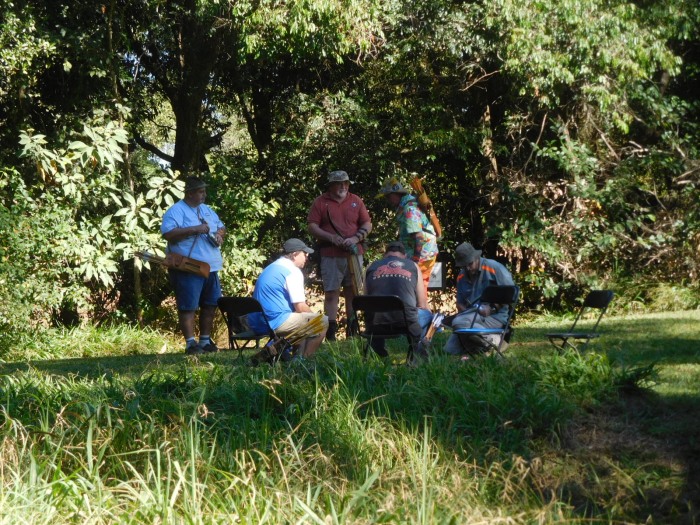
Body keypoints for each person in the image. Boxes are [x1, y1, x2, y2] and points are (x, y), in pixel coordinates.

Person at [161, 176, 226, 354]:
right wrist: (194, 229)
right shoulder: (176, 211)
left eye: (204, 191)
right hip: (189, 266)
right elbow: (168, 234)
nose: (204, 195)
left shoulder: (207, 210)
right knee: (188, 305)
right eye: (200, 191)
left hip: (211, 266)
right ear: (189, 193)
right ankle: (191, 344)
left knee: (210, 304)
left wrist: (220, 234)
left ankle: (205, 341)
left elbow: (221, 226)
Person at [308, 170, 372, 340]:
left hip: (354, 252)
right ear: (331, 185)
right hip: (330, 253)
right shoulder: (320, 202)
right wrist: (331, 237)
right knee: (331, 292)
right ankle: (330, 333)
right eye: (339, 183)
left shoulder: (356, 200)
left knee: (353, 291)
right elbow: (312, 226)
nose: (344, 186)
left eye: (346, 183)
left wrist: (355, 238)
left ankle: (353, 330)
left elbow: (367, 223)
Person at [247, 238, 329, 358]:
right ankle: (303, 362)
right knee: (321, 322)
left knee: (303, 321)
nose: (307, 256)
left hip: (256, 322)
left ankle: (292, 356)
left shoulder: (271, 267)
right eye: (304, 253)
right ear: (295, 254)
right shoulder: (292, 272)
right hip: (273, 322)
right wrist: (315, 319)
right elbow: (300, 306)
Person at [364, 240, 433, 361]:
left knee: (375, 311)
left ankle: (378, 351)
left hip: (376, 325)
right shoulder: (413, 266)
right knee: (427, 315)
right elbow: (422, 304)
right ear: (405, 256)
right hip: (405, 323)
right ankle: (416, 353)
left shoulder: (371, 267)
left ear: (385, 255)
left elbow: (366, 301)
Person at [443, 242, 515, 355]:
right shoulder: (461, 276)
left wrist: (493, 308)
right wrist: (463, 311)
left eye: (470, 264)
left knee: (458, 322)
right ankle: (478, 347)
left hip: (494, 317)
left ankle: (495, 341)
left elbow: (511, 294)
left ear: (477, 258)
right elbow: (460, 303)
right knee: (450, 350)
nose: (467, 268)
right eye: (464, 265)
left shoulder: (494, 268)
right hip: (471, 317)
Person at [377, 177, 438, 304]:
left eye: (388, 196)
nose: (387, 200)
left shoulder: (409, 209)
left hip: (423, 254)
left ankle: (421, 317)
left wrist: (415, 262)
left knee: (418, 289)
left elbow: (419, 237)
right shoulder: (404, 206)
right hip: (417, 252)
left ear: (396, 194)